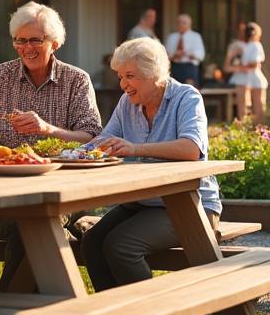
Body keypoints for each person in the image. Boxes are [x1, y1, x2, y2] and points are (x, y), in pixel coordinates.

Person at [0, 2, 102, 294]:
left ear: (55, 43)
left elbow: (91, 138)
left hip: (62, 194)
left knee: (33, 224)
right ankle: (24, 310)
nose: (27, 48)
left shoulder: (76, 80)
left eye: (35, 40)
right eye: (20, 40)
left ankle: (5, 308)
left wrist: (47, 129)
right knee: (31, 225)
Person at [82, 38, 221, 289]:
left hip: (189, 205)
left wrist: (136, 148)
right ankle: (115, 310)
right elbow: (102, 142)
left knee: (120, 246)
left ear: (153, 73)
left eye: (130, 76)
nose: (123, 84)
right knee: (91, 242)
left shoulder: (186, 97)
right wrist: (71, 154)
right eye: (120, 76)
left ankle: (151, 311)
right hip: (142, 203)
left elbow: (191, 149)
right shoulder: (127, 103)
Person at [233, 22, 269, 124]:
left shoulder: (243, 46)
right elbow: (255, 63)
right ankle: (259, 127)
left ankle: (246, 127)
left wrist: (242, 66)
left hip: (244, 77)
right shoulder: (256, 45)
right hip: (254, 78)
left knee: (244, 105)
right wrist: (246, 66)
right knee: (258, 105)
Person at [164, 13, 206, 86]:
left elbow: (201, 55)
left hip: (189, 67)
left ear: (189, 24)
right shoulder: (171, 37)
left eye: (184, 23)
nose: (181, 25)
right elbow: (165, 56)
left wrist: (189, 54)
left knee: (189, 90)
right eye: (179, 22)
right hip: (175, 67)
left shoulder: (196, 36)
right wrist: (175, 55)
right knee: (175, 89)